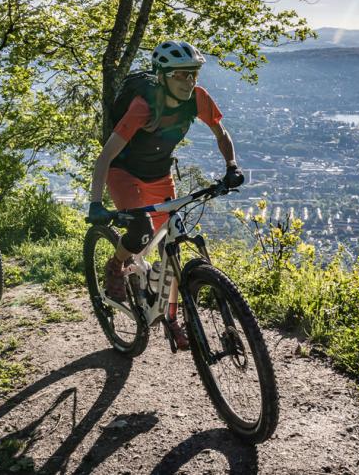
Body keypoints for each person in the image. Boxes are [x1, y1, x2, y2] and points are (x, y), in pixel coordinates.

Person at [88, 40, 245, 350]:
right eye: (180, 75)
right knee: (142, 231)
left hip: (159, 173)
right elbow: (105, 158)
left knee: (170, 247)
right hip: (124, 173)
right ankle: (116, 265)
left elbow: (221, 133)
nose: (189, 82)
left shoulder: (197, 99)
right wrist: (95, 203)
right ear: (162, 76)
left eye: (193, 74)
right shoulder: (143, 107)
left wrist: (231, 166)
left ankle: (170, 317)